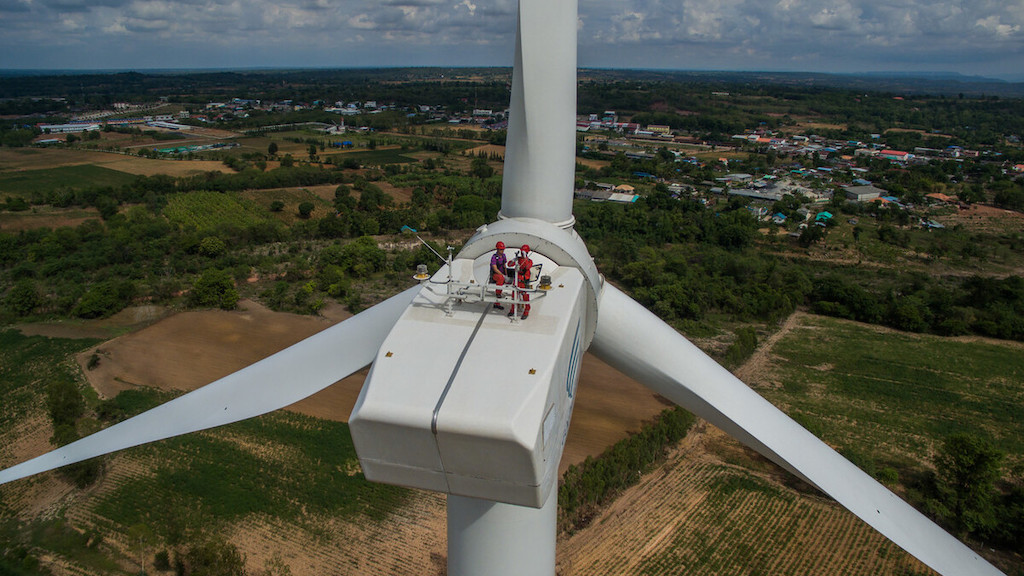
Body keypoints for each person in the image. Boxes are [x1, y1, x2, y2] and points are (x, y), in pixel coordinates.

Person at [508, 244, 533, 320]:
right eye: (522, 252)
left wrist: (525, 258)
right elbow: (509, 265)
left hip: (523, 282)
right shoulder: (518, 260)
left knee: (525, 297)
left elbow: (527, 266)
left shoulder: (529, 261)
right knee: (514, 296)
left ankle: (527, 310)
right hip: (516, 282)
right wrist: (513, 260)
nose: (522, 254)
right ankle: (512, 310)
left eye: (524, 252)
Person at [490, 241, 507, 310]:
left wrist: (506, 274)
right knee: (500, 278)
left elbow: (504, 266)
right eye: (501, 249)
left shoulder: (503, 256)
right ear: (497, 249)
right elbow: (495, 268)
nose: (502, 251)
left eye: (503, 249)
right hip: (495, 275)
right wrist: (502, 275)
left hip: (502, 274)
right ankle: (498, 294)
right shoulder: (494, 257)